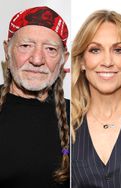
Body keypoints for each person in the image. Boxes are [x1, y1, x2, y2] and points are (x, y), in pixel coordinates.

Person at [0, 6, 70, 187]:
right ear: (7, 50)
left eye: (50, 49)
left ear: (64, 58)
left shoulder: (81, 117)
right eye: (25, 46)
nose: (37, 60)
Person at [71, 10, 121, 187]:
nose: (107, 61)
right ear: (82, 62)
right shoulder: (66, 124)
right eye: (95, 50)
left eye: (118, 50)